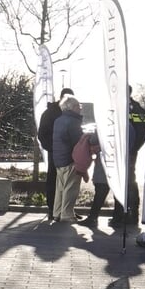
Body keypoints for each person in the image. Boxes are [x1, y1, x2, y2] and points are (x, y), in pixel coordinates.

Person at [37, 87, 72, 220]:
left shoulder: (71, 112)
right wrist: (52, 148)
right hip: (55, 153)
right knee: (54, 180)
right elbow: (42, 134)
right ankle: (52, 209)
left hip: (69, 153)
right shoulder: (50, 113)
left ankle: (66, 209)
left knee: (68, 182)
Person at [50, 94, 84, 225]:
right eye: (78, 106)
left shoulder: (59, 120)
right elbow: (78, 142)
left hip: (59, 158)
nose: (80, 108)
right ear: (72, 107)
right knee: (71, 187)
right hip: (70, 159)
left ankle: (57, 213)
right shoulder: (74, 121)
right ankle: (67, 214)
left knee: (60, 188)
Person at [117, 89, 145, 227]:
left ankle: (132, 215)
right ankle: (118, 215)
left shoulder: (137, 110)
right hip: (118, 151)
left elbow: (142, 133)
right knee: (118, 180)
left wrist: (132, 150)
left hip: (129, 152)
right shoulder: (116, 107)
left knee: (129, 181)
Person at [81, 127, 111, 231]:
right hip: (119, 161)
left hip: (104, 160)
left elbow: (93, 140)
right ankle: (119, 218)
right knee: (117, 190)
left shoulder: (103, 124)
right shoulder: (124, 124)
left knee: (101, 188)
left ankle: (93, 218)